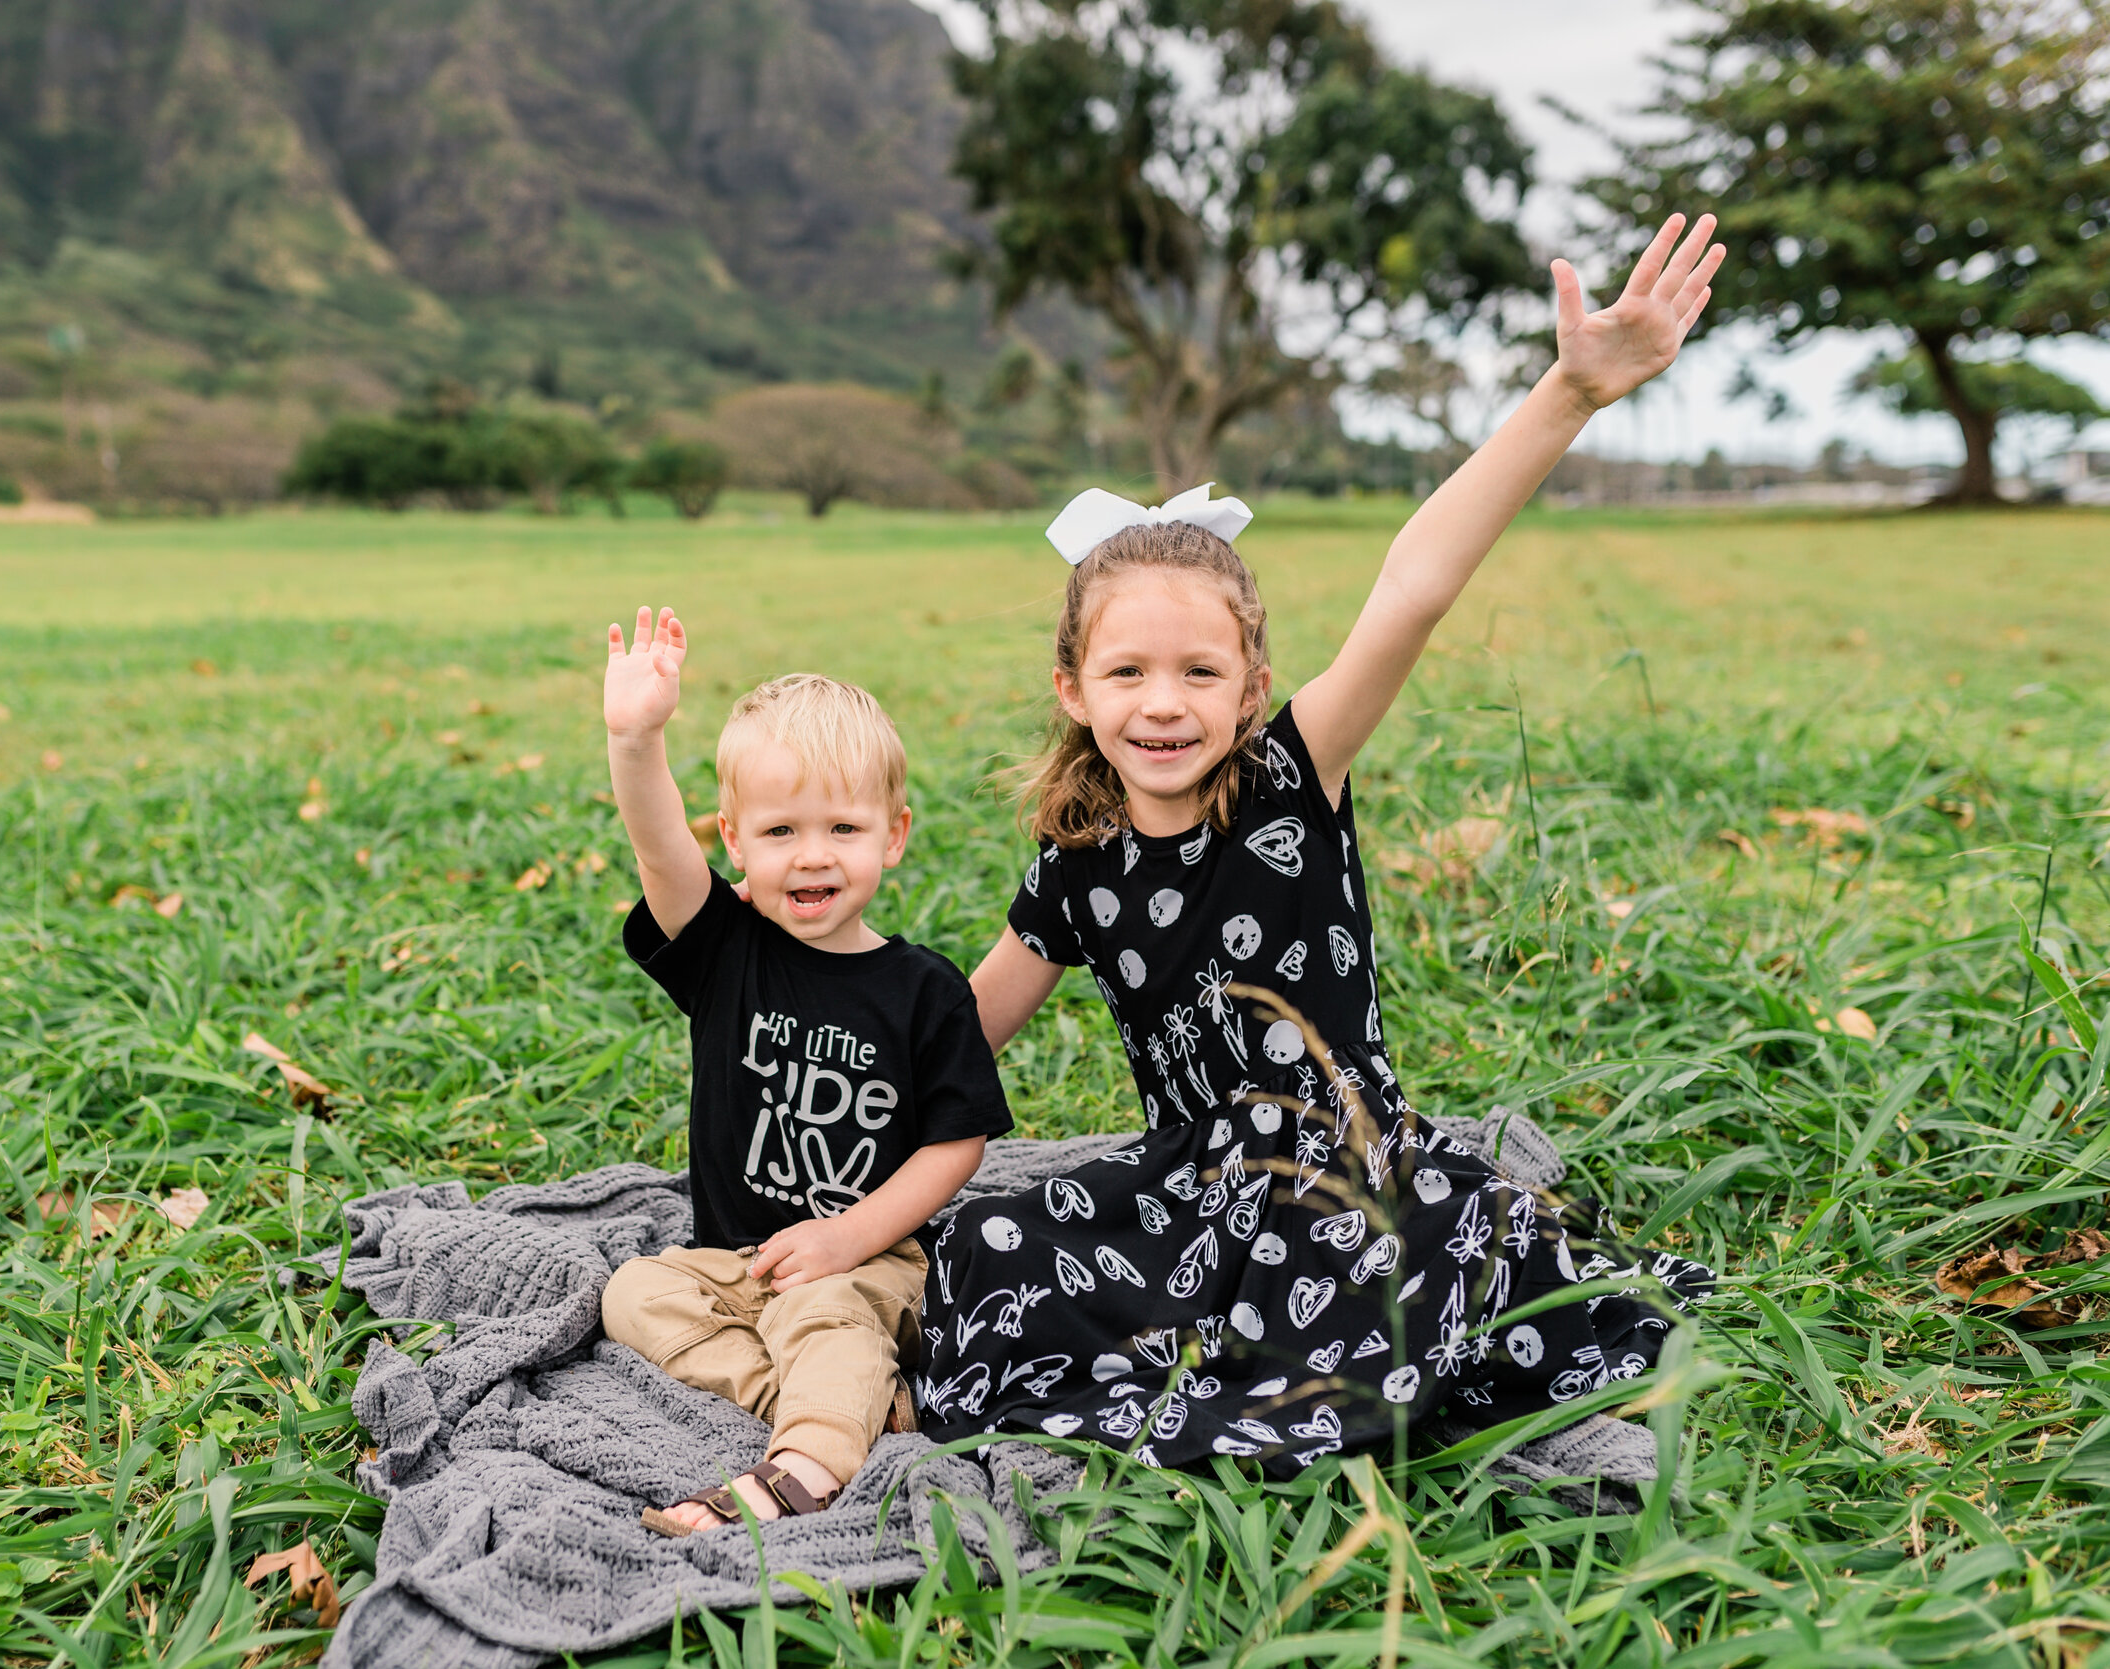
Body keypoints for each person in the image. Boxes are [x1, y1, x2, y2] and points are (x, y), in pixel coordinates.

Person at [912, 214, 1728, 1468]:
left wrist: (1568, 390)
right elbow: (962, 1034)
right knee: (984, 1249)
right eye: (1127, 670)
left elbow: (1414, 582)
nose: (1164, 702)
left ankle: (1314, 1383)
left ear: (1251, 687)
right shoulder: (1076, 858)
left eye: (1199, 669)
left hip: (1344, 1178)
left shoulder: (1290, 776)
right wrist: (828, 1118)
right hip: (1190, 1185)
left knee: (1336, 1364)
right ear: (1073, 687)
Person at [601, 619, 1015, 1533]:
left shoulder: (924, 989)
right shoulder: (726, 951)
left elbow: (959, 1141)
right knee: (631, 1293)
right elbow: (661, 848)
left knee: (827, 1311)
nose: (814, 852)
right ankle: (869, 1407)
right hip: (734, 1259)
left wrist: (848, 1234)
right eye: (781, 829)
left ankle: (799, 1472)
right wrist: (636, 738)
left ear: (893, 836)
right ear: (736, 843)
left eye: (843, 826)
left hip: (870, 1259)